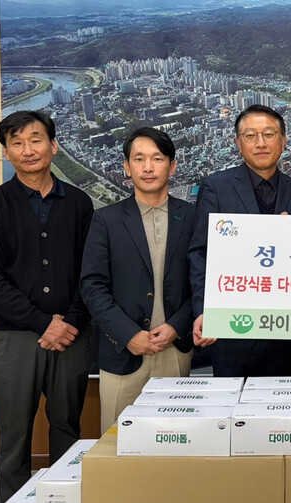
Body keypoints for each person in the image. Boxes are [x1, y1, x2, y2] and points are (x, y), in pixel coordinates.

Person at [0, 110, 93, 503]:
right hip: (14, 338)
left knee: (67, 430)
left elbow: (91, 272)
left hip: (71, 336)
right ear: (6, 153)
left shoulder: (79, 203)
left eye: (36, 139)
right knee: (13, 436)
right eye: (17, 143)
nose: (28, 150)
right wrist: (44, 323)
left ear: (53, 146)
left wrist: (70, 322)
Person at [80, 127, 195, 432]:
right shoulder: (106, 220)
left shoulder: (193, 217)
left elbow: (203, 283)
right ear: (127, 168)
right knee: (117, 441)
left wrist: (176, 326)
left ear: (172, 166)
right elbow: (92, 286)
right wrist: (127, 333)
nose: (148, 167)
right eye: (139, 159)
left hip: (175, 349)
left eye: (157, 159)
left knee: (175, 437)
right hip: (123, 352)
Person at [188, 104, 291, 376]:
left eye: (269, 134)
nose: (260, 143)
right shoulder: (216, 187)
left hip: (282, 330)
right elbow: (200, 253)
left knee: (279, 400)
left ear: (283, 141)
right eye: (250, 136)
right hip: (231, 329)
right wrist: (203, 310)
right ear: (238, 143)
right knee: (231, 402)